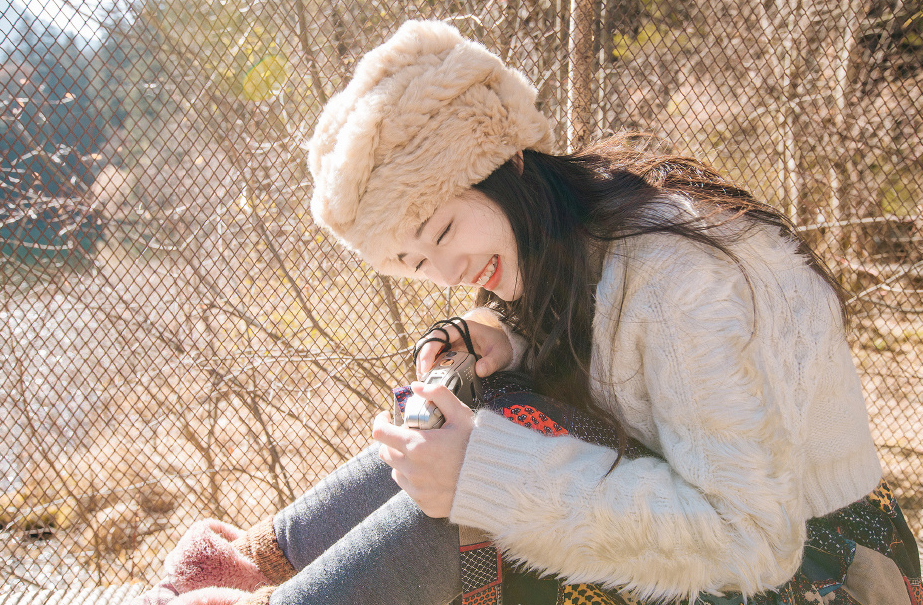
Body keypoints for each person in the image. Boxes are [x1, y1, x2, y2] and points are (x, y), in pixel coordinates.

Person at [134, 19, 922, 605]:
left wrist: (485, 471)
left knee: (477, 492)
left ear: (506, 159)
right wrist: (501, 336)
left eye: (444, 229)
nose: (446, 270)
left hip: (825, 567)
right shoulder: (582, 226)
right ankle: (255, 561)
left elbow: (754, 538)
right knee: (469, 427)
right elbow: (612, 365)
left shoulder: (677, 276)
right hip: (760, 540)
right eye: (415, 261)